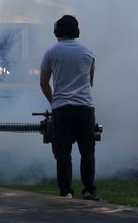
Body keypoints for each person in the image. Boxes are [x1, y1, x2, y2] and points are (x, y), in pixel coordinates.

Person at [39, 14, 100, 200]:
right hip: (85, 107)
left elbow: (43, 83)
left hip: (62, 108)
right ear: (77, 32)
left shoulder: (51, 52)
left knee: (63, 152)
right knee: (87, 152)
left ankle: (66, 192)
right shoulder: (88, 53)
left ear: (57, 31)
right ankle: (89, 190)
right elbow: (90, 82)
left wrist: (54, 102)